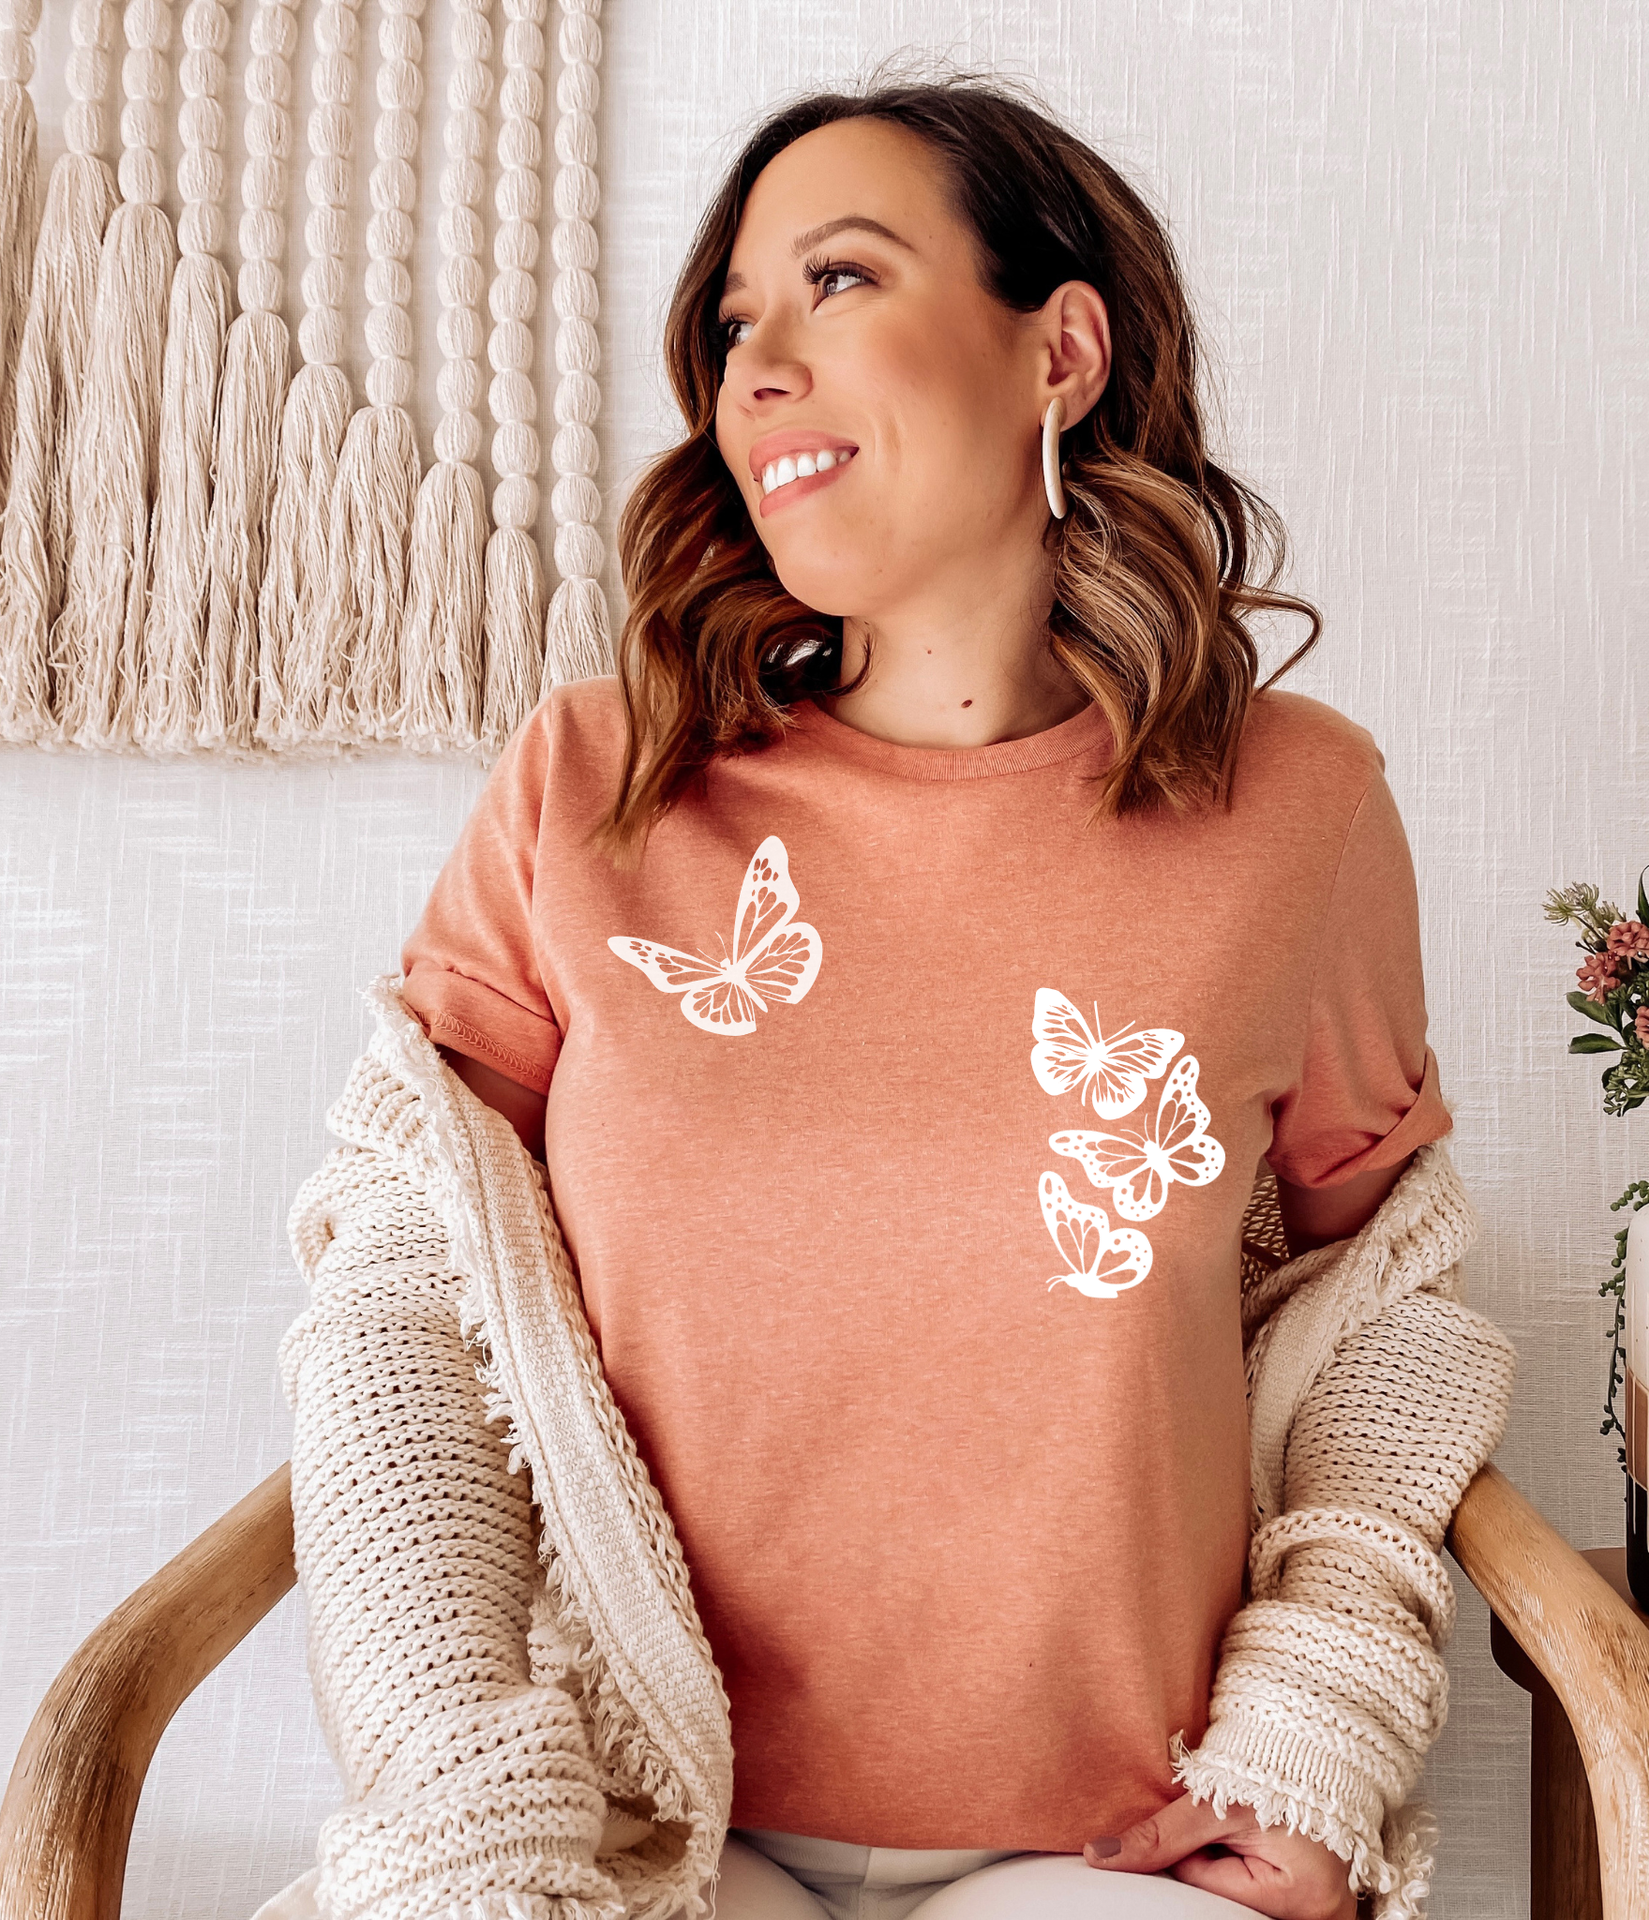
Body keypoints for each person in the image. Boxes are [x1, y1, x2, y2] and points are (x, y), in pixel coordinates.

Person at [270, 71, 1512, 1920]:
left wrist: (1316, 1716)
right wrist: (468, 1797)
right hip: (640, 1842)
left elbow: (1376, 1306)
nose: (752, 367)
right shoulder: (591, 785)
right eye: (731, 324)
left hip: (1122, 1847)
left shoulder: (1297, 812)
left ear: (1059, 352)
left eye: (837, 281)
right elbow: (399, 1301)